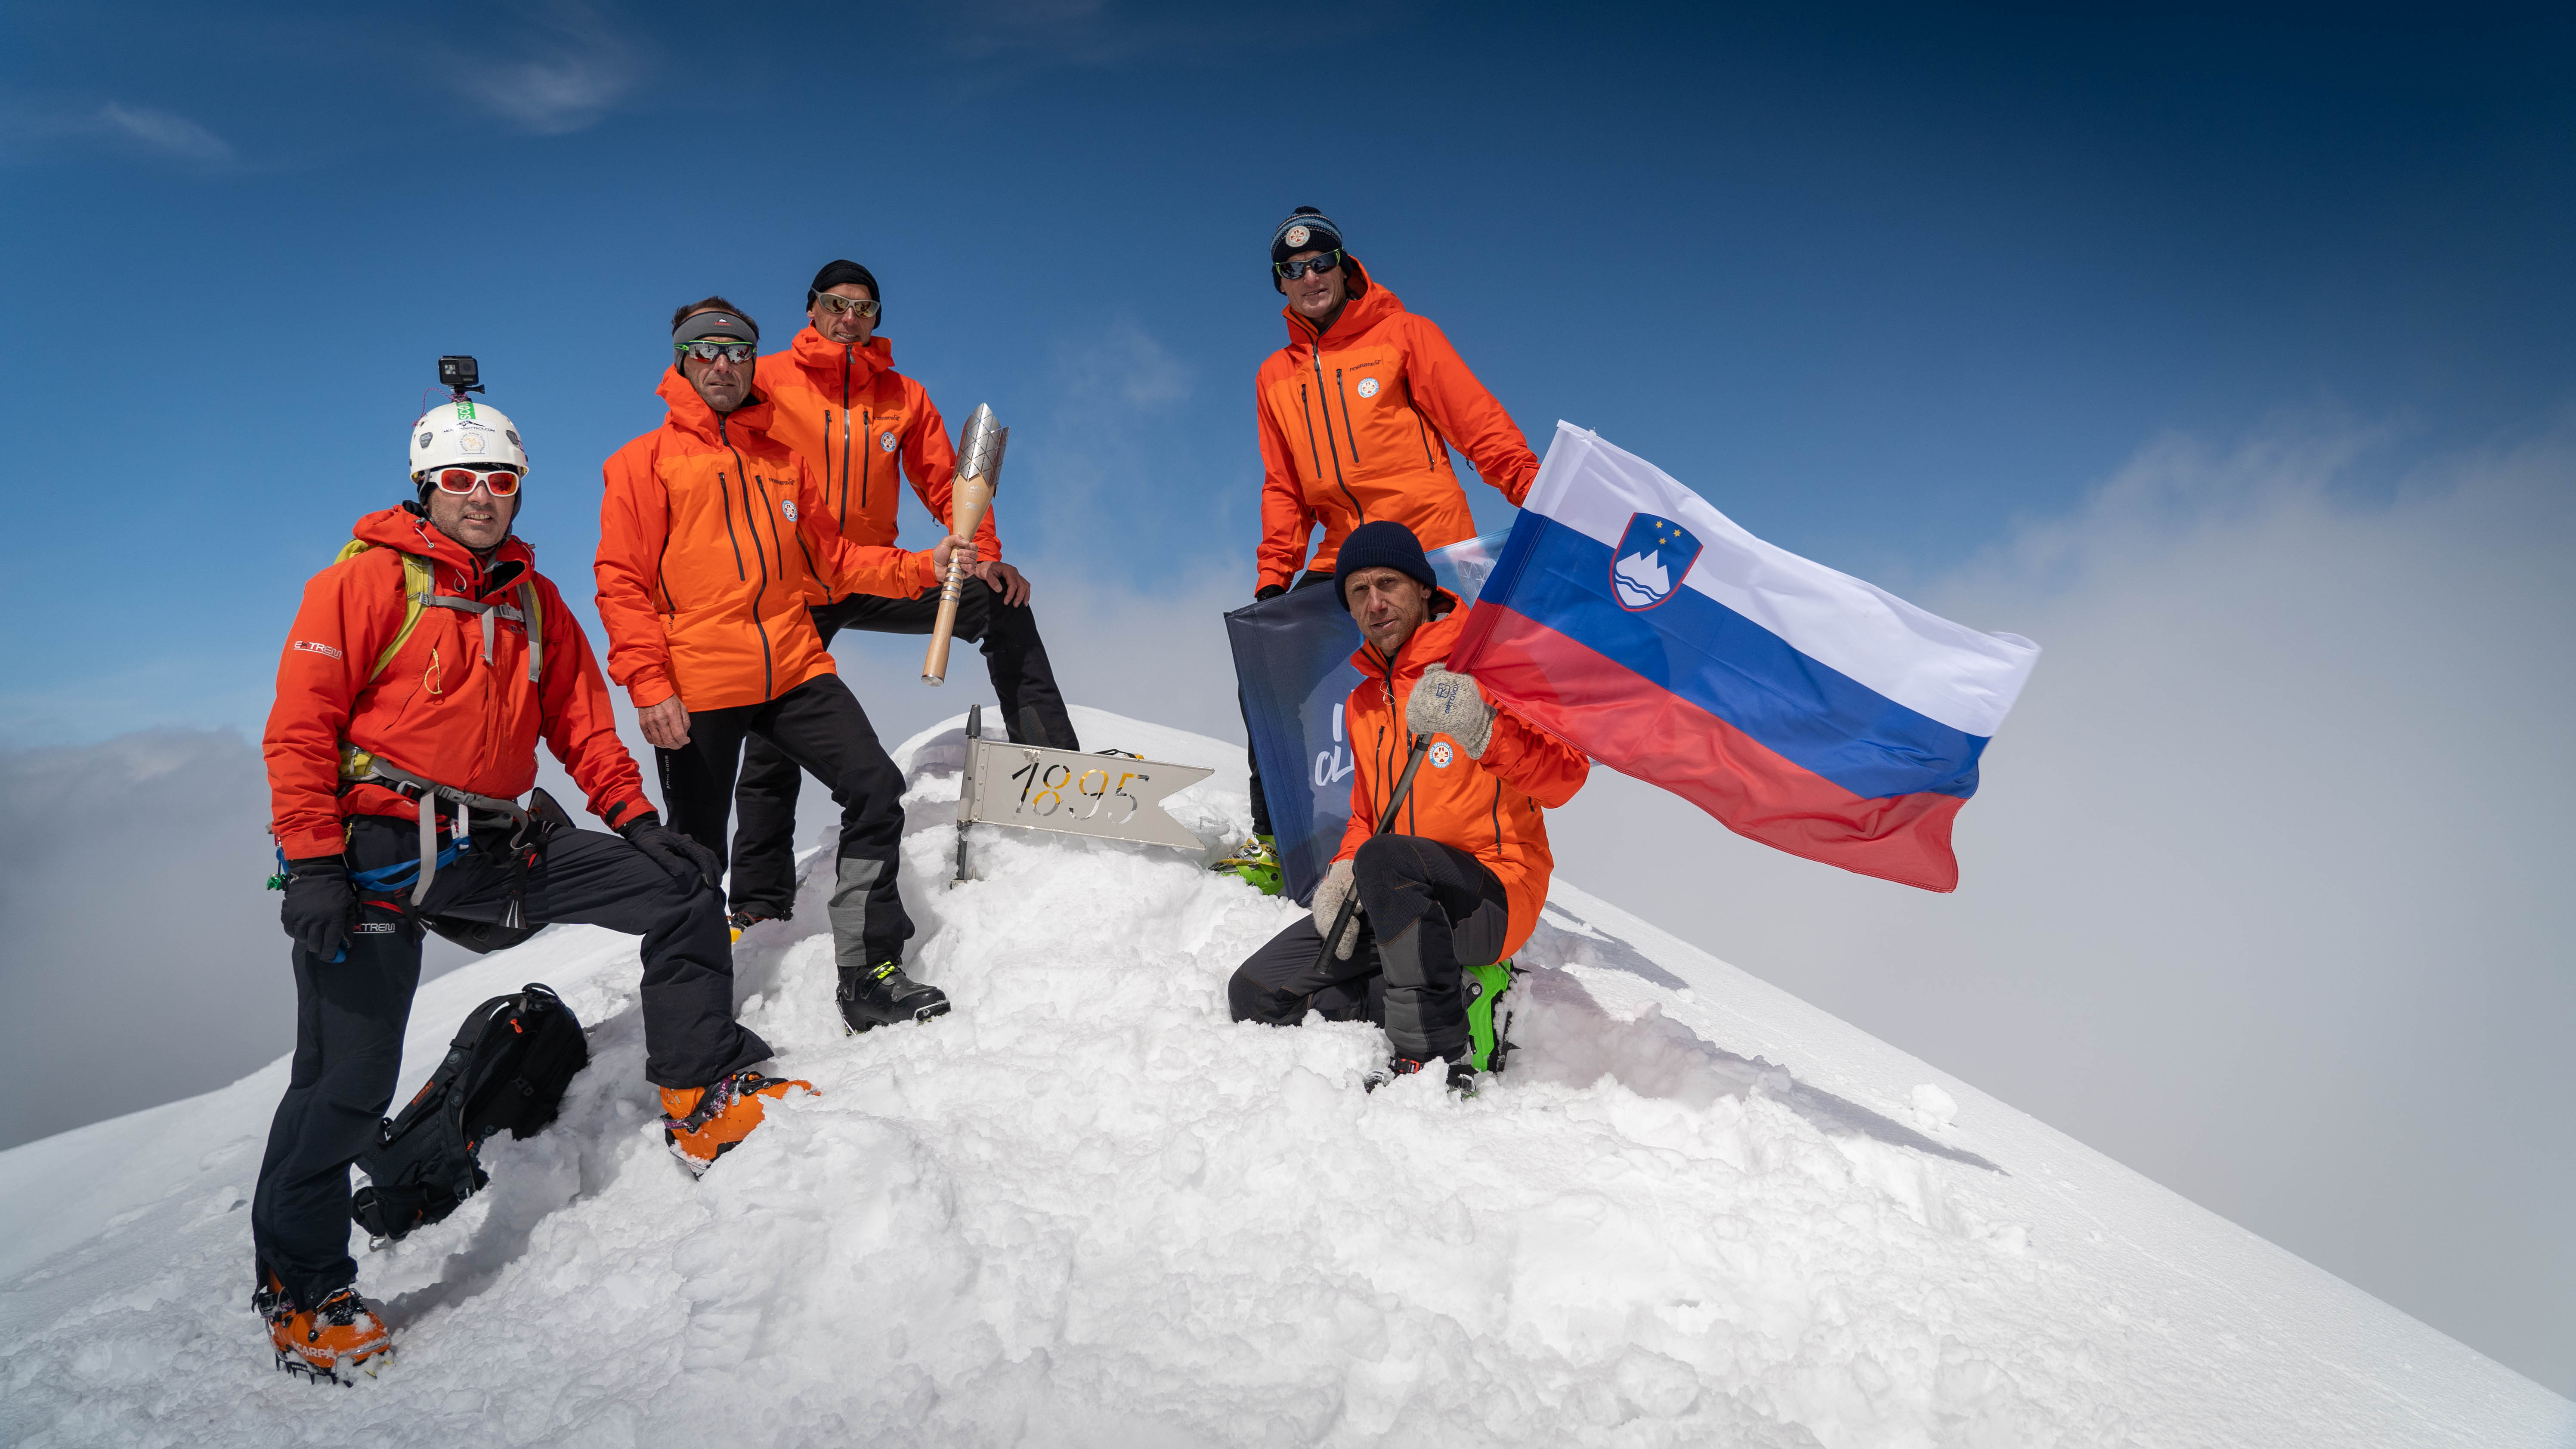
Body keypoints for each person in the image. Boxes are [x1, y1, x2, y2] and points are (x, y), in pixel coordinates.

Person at [256, 388, 804, 1381]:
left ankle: (696, 1087)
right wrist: (314, 863)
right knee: (345, 1081)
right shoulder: (364, 582)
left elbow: (583, 726)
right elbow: (300, 730)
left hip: (491, 846)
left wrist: (638, 823)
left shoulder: (533, 602)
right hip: (375, 854)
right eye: (460, 478)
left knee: (678, 890)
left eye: (499, 479)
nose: (481, 495)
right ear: (425, 486)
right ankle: (301, 1287)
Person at [597, 300, 972, 1035]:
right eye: (705, 350)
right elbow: (621, 583)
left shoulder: (783, 463)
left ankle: (868, 973)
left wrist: (921, 567)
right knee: (696, 853)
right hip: (700, 682)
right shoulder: (642, 463)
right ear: (681, 361)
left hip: (793, 665)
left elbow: (834, 562)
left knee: (874, 788)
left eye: (738, 351)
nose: (723, 364)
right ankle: (693, 1017)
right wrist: (648, 683)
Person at [725, 260, 1081, 930]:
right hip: (788, 583)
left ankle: (1055, 777)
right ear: (811, 309)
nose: (849, 318)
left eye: (863, 309)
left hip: (870, 573)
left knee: (1000, 604)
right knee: (773, 740)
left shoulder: (903, 396)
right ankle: (758, 902)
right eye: (836, 304)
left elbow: (947, 484)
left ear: (877, 319)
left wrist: (985, 558)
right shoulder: (767, 379)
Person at [1220, 207, 1543, 894]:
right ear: (1280, 284)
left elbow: (1478, 426)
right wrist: (1275, 577)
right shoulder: (1275, 376)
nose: (1309, 277)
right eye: (1292, 269)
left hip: (1430, 549)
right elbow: (1284, 486)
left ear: (1344, 267)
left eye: (1320, 262)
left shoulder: (1404, 336)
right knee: (1267, 674)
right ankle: (1278, 840)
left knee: (1453, 698)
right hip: (1342, 556)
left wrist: (1538, 496)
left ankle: (1487, 855)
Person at [1226, 522, 1587, 1094]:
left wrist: (1484, 731)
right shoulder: (1363, 703)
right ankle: (1466, 1000)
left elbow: (1566, 779)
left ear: (1423, 588)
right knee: (1258, 993)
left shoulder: (1492, 666)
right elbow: (1368, 817)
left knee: (1389, 860)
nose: (1375, 603)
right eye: (1358, 592)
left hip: (1492, 893)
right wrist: (1345, 871)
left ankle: (1435, 1059)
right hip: (1398, 895)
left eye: (1388, 583)